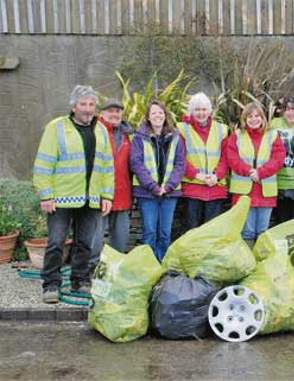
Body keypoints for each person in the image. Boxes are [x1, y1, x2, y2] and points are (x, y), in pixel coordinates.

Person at [32, 85, 114, 303]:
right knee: (56, 243)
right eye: (83, 104)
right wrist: (46, 195)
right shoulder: (56, 128)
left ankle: (80, 279)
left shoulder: (101, 130)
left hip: (91, 197)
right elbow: (43, 163)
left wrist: (107, 196)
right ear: (73, 106)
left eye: (91, 104)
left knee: (85, 242)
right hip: (61, 198)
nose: (88, 109)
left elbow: (107, 166)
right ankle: (51, 285)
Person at [130, 100, 185, 262]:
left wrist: (169, 186)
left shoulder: (176, 137)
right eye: (154, 113)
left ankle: (162, 265)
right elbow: (136, 163)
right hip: (147, 193)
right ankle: (148, 265)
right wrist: (153, 187)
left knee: (165, 233)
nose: (157, 116)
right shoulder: (139, 138)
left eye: (160, 112)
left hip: (170, 192)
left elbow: (180, 163)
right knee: (149, 231)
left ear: (165, 115)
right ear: (148, 117)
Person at [226, 102, 285, 246]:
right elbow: (232, 158)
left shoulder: (272, 135)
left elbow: (278, 158)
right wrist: (249, 171)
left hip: (265, 192)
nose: (254, 119)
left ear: (263, 118)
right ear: (244, 119)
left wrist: (260, 172)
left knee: (263, 231)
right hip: (244, 193)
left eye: (257, 116)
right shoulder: (237, 135)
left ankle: (261, 263)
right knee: (247, 232)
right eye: (250, 116)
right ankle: (248, 263)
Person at [91, 99, 133, 271]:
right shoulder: (94, 130)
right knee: (95, 236)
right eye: (111, 111)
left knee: (121, 237)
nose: (115, 115)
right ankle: (91, 269)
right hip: (99, 193)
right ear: (102, 113)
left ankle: (116, 270)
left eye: (118, 111)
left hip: (122, 192)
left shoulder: (127, 135)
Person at [178, 93, 229, 230]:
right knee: (191, 231)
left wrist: (216, 176)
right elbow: (179, 158)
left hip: (215, 187)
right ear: (191, 111)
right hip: (192, 188)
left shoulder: (222, 129)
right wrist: (197, 175)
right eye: (197, 109)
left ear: (210, 110)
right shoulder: (182, 129)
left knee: (212, 232)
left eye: (204, 109)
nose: (201, 113)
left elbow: (226, 158)